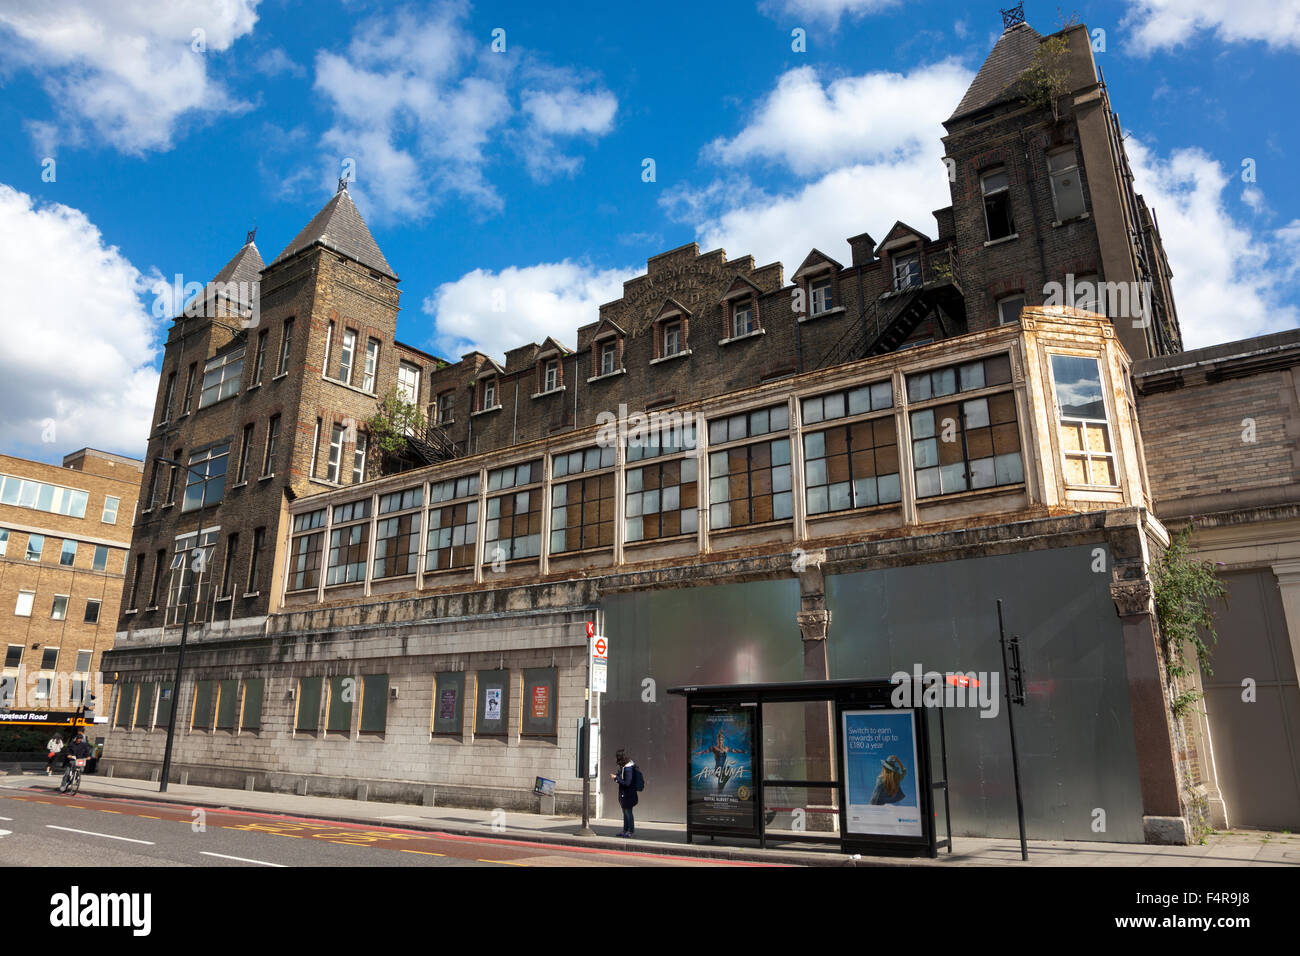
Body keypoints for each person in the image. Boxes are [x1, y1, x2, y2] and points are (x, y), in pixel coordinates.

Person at [609, 749, 637, 838]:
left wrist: (616, 778)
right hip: (625, 794)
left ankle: (630, 831)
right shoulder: (626, 767)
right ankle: (625, 830)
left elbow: (627, 783)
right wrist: (618, 775)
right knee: (625, 813)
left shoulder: (628, 769)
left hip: (628, 794)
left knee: (628, 812)